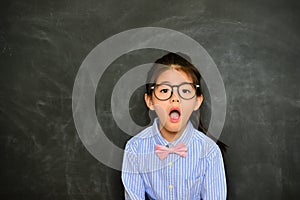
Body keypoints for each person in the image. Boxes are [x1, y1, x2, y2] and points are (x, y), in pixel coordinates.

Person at [122, 52, 227, 200]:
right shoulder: (135, 149)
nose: (175, 99)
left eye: (184, 91)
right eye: (165, 90)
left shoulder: (209, 152)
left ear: (197, 101)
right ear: (150, 101)